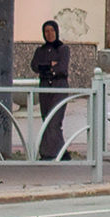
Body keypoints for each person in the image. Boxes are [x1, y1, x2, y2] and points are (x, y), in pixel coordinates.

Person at [29, 20, 72, 160]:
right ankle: (52, 152)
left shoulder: (63, 49)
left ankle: (56, 152)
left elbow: (61, 68)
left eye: (52, 31)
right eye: (47, 31)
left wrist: (46, 69)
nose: (49, 34)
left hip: (59, 86)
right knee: (46, 119)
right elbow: (35, 66)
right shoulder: (40, 51)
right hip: (45, 87)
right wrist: (49, 65)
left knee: (55, 120)